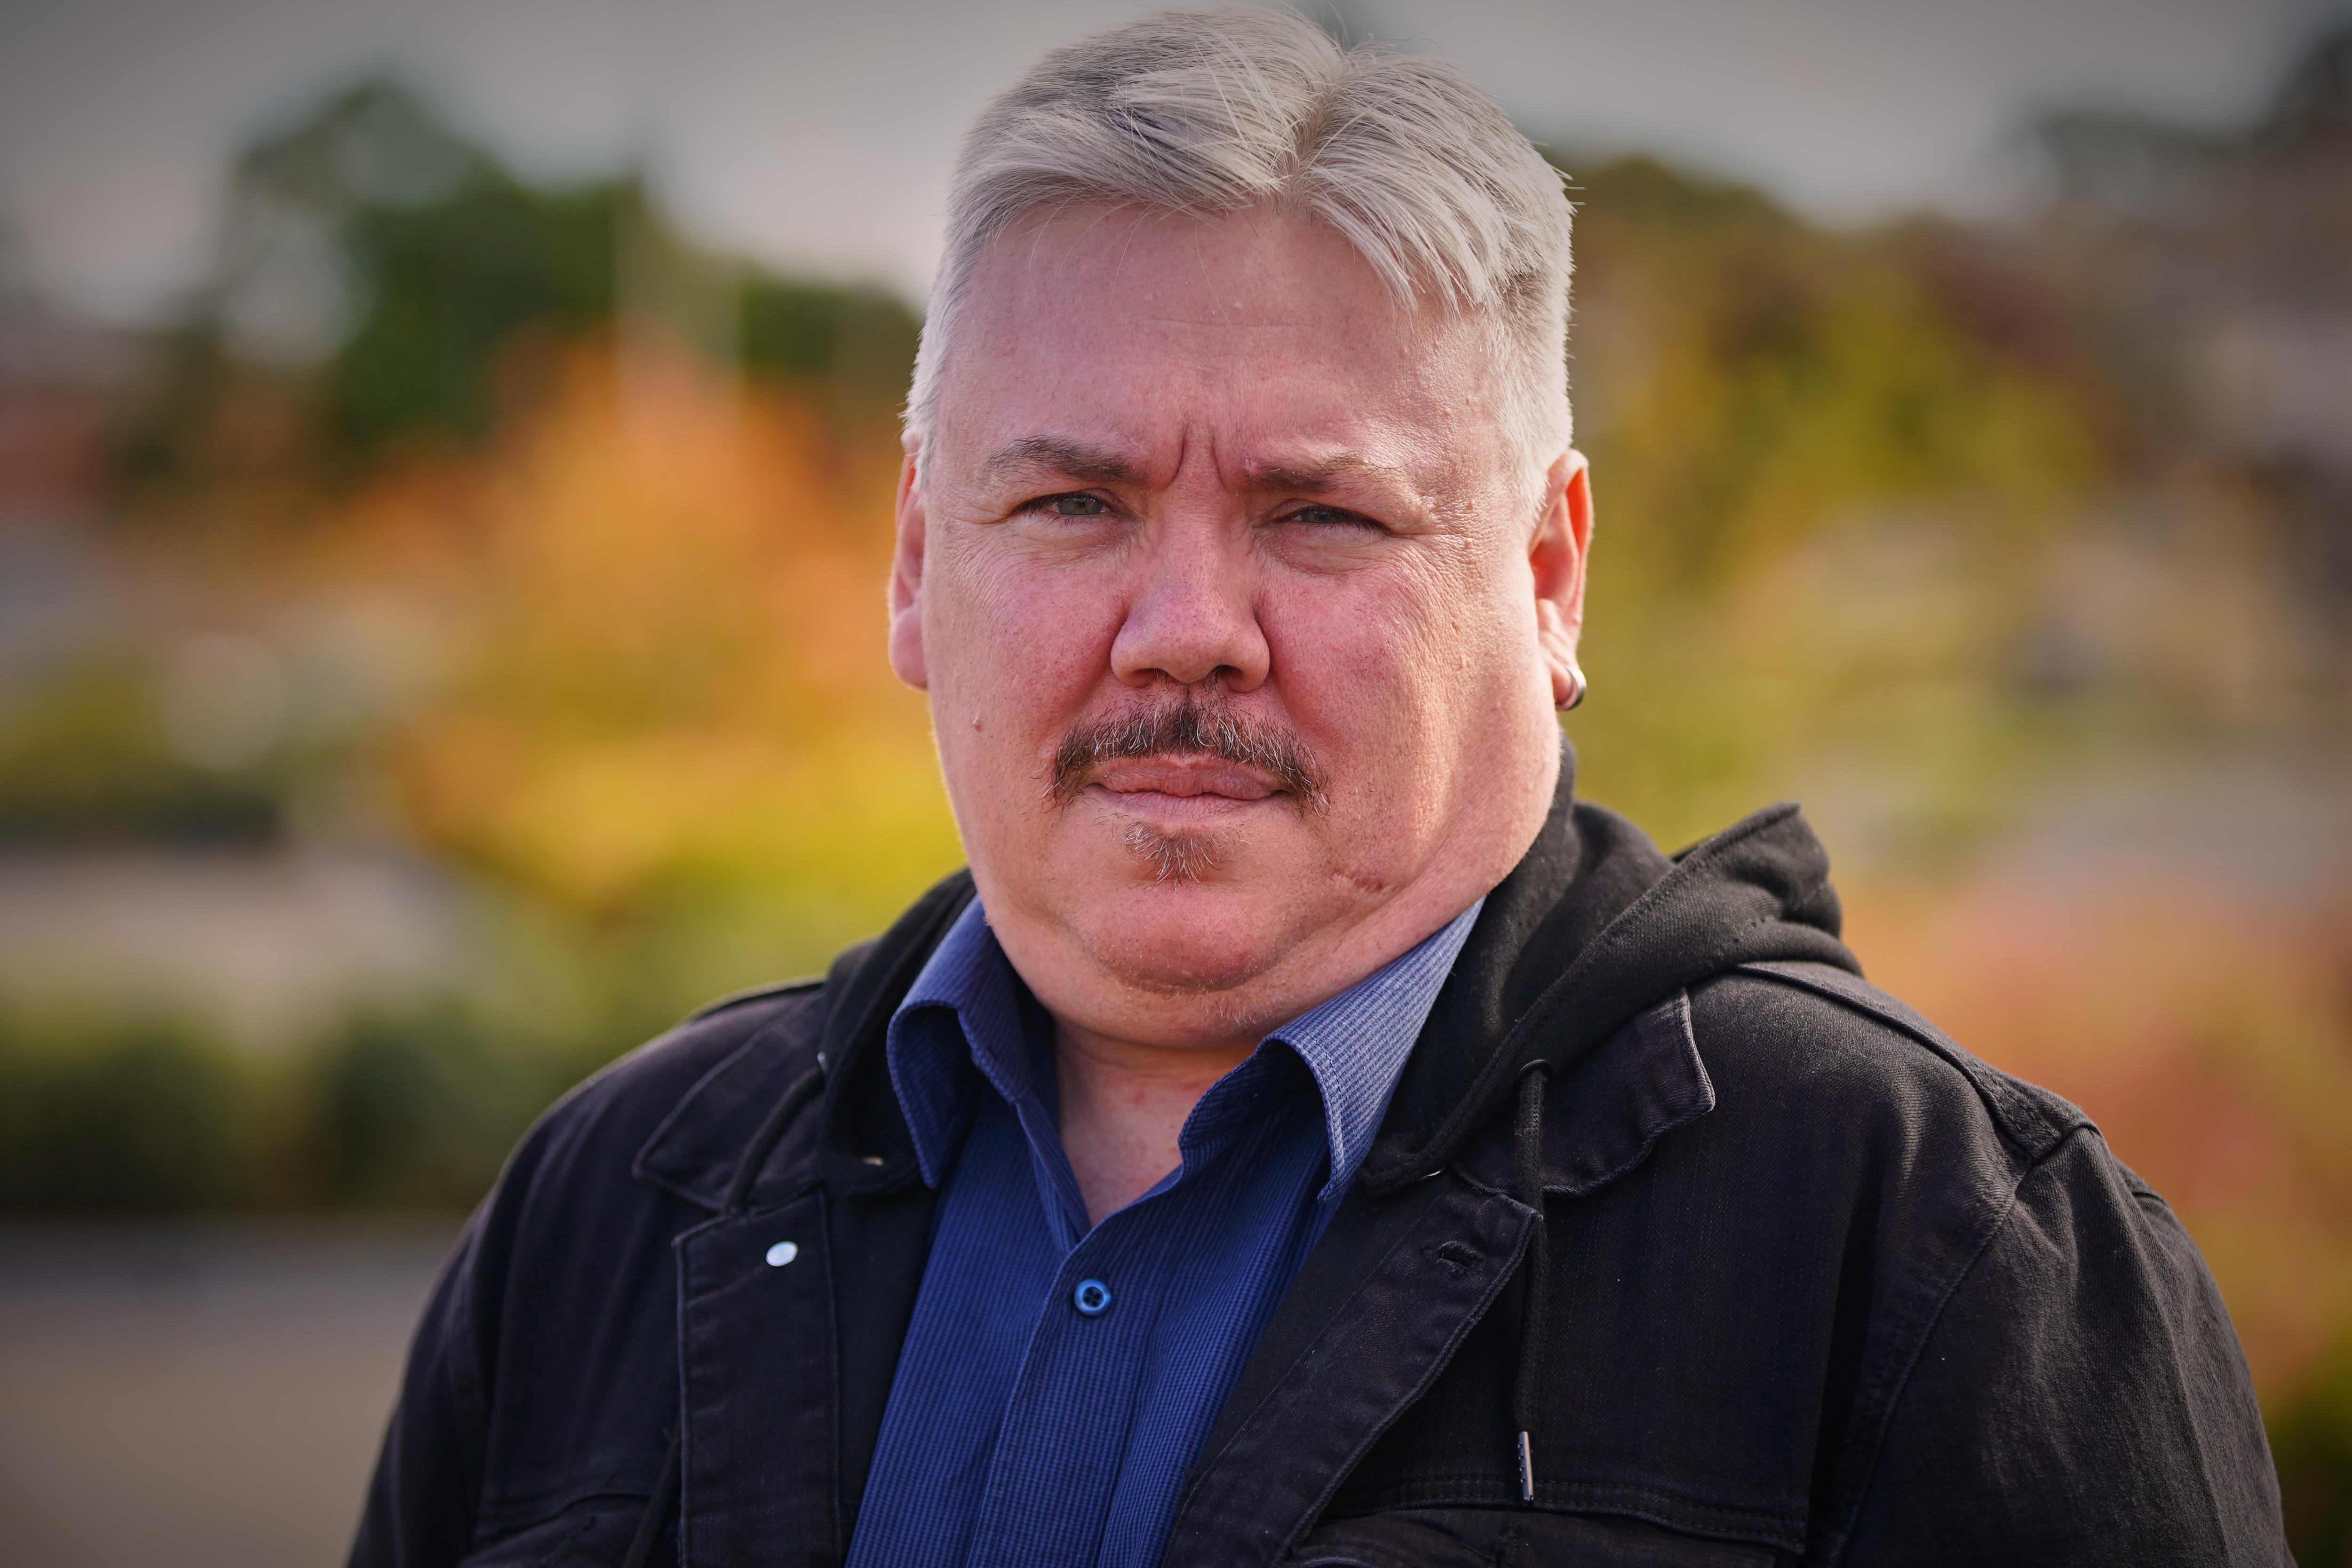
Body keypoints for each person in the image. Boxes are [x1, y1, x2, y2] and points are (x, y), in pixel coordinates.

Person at [350, 10, 2288, 1566]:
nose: (1184, 626)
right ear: (916, 568)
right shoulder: (610, 1207)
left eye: (1321, 512)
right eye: (1070, 502)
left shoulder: (1935, 1251)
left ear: (1544, 575)